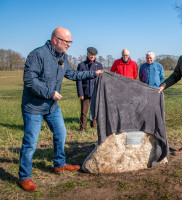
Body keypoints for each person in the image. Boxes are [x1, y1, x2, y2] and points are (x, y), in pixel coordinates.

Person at [19, 27, 103, 192]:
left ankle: (59, 164)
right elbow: (29, 80)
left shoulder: (63, 57)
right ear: (55, 40)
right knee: (30, 144)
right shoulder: (37, 55)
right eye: (67, 42)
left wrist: (94, 73)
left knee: (60, 133)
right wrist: (50, 93)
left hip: (52, 107)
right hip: (34, 107)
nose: (69, 45)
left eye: (70, 42)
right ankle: (24, 177)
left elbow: (73, 74)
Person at [76, 47, 103, 133]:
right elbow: (79, 80)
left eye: (94, 55)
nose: (92, 56)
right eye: (91, 54)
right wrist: (80, 93)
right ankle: (83, 127)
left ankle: (93, 125)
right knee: (84, 111)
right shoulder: (81, 65)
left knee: (95, 110)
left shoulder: (99, 65)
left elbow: (101, 80)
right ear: (87, 54)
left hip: (95, 92)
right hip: (85, 91)